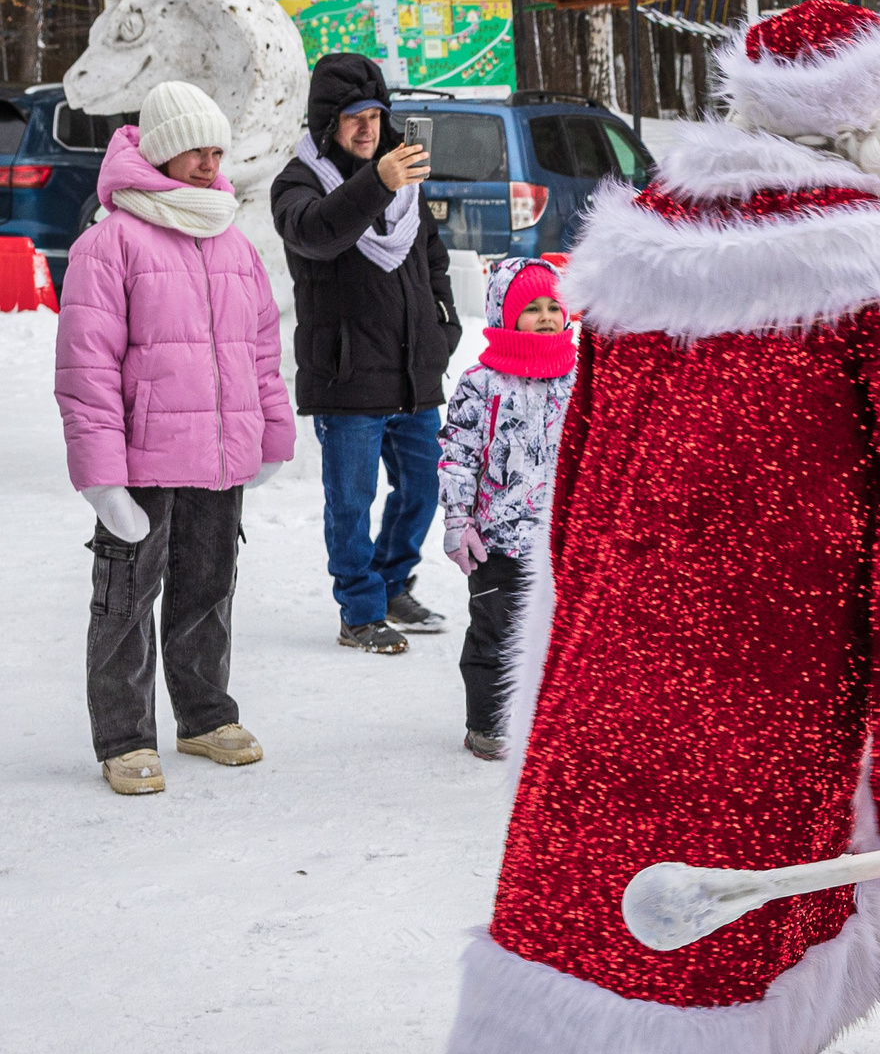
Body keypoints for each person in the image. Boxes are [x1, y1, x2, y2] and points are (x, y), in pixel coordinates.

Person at [441, 0, 880, 1054]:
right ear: (874, 123)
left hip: (623, 601)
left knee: (612, 817)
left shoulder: (638, 241)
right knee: (740, 840)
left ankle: (620, 1048)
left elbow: (582, 448)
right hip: (779, 628)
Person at [55, 81, 293, 796]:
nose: (207, 160)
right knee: (127, 600)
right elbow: (86, 368)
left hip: (218, 458)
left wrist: (270, 435)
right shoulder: (111, 241)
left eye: (216, 149)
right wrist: (101, 476)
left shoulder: (231, 239)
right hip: (143, 459)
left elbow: (261, 349)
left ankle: (204, 717)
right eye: (196, 147)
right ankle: (125, 736)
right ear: (161, 149)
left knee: (208, 588)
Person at [269, 52, 461, 656]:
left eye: (375, 115)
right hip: (348, 375)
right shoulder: (297, 184)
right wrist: (377, 182)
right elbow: (318, 233)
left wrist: (444, 325)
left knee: (424, 490)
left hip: (412, 373)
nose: (367, 128)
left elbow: (432, 258)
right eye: (353, 117)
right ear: (329, 123)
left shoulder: (403, 180)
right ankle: (358, 610)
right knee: (350, 501)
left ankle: (392, 582)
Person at [436, 258, 575, 760]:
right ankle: (487, 723)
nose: (544, 317)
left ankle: (550, 720)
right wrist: (457, 520)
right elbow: (457, 456)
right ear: (503, 313)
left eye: (552, 307)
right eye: (531, 309)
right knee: (495, 633)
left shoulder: (578, 378)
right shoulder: (482, 382)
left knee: (562, 637)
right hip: (498, 538)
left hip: (564, 541)